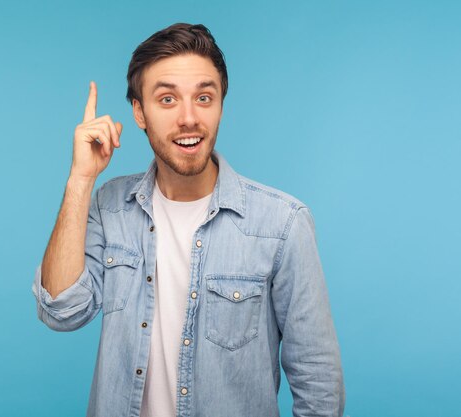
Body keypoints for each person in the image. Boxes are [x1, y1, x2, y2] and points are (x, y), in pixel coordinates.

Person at [32, 22, 345, 417]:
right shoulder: (109, 206)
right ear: (139, 112)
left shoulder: (282, 224)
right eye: (166, 99)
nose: (188, 118)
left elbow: (318, 381)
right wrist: (81, 179)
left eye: (204, 97)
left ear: (220, 105)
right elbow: (61, 311)